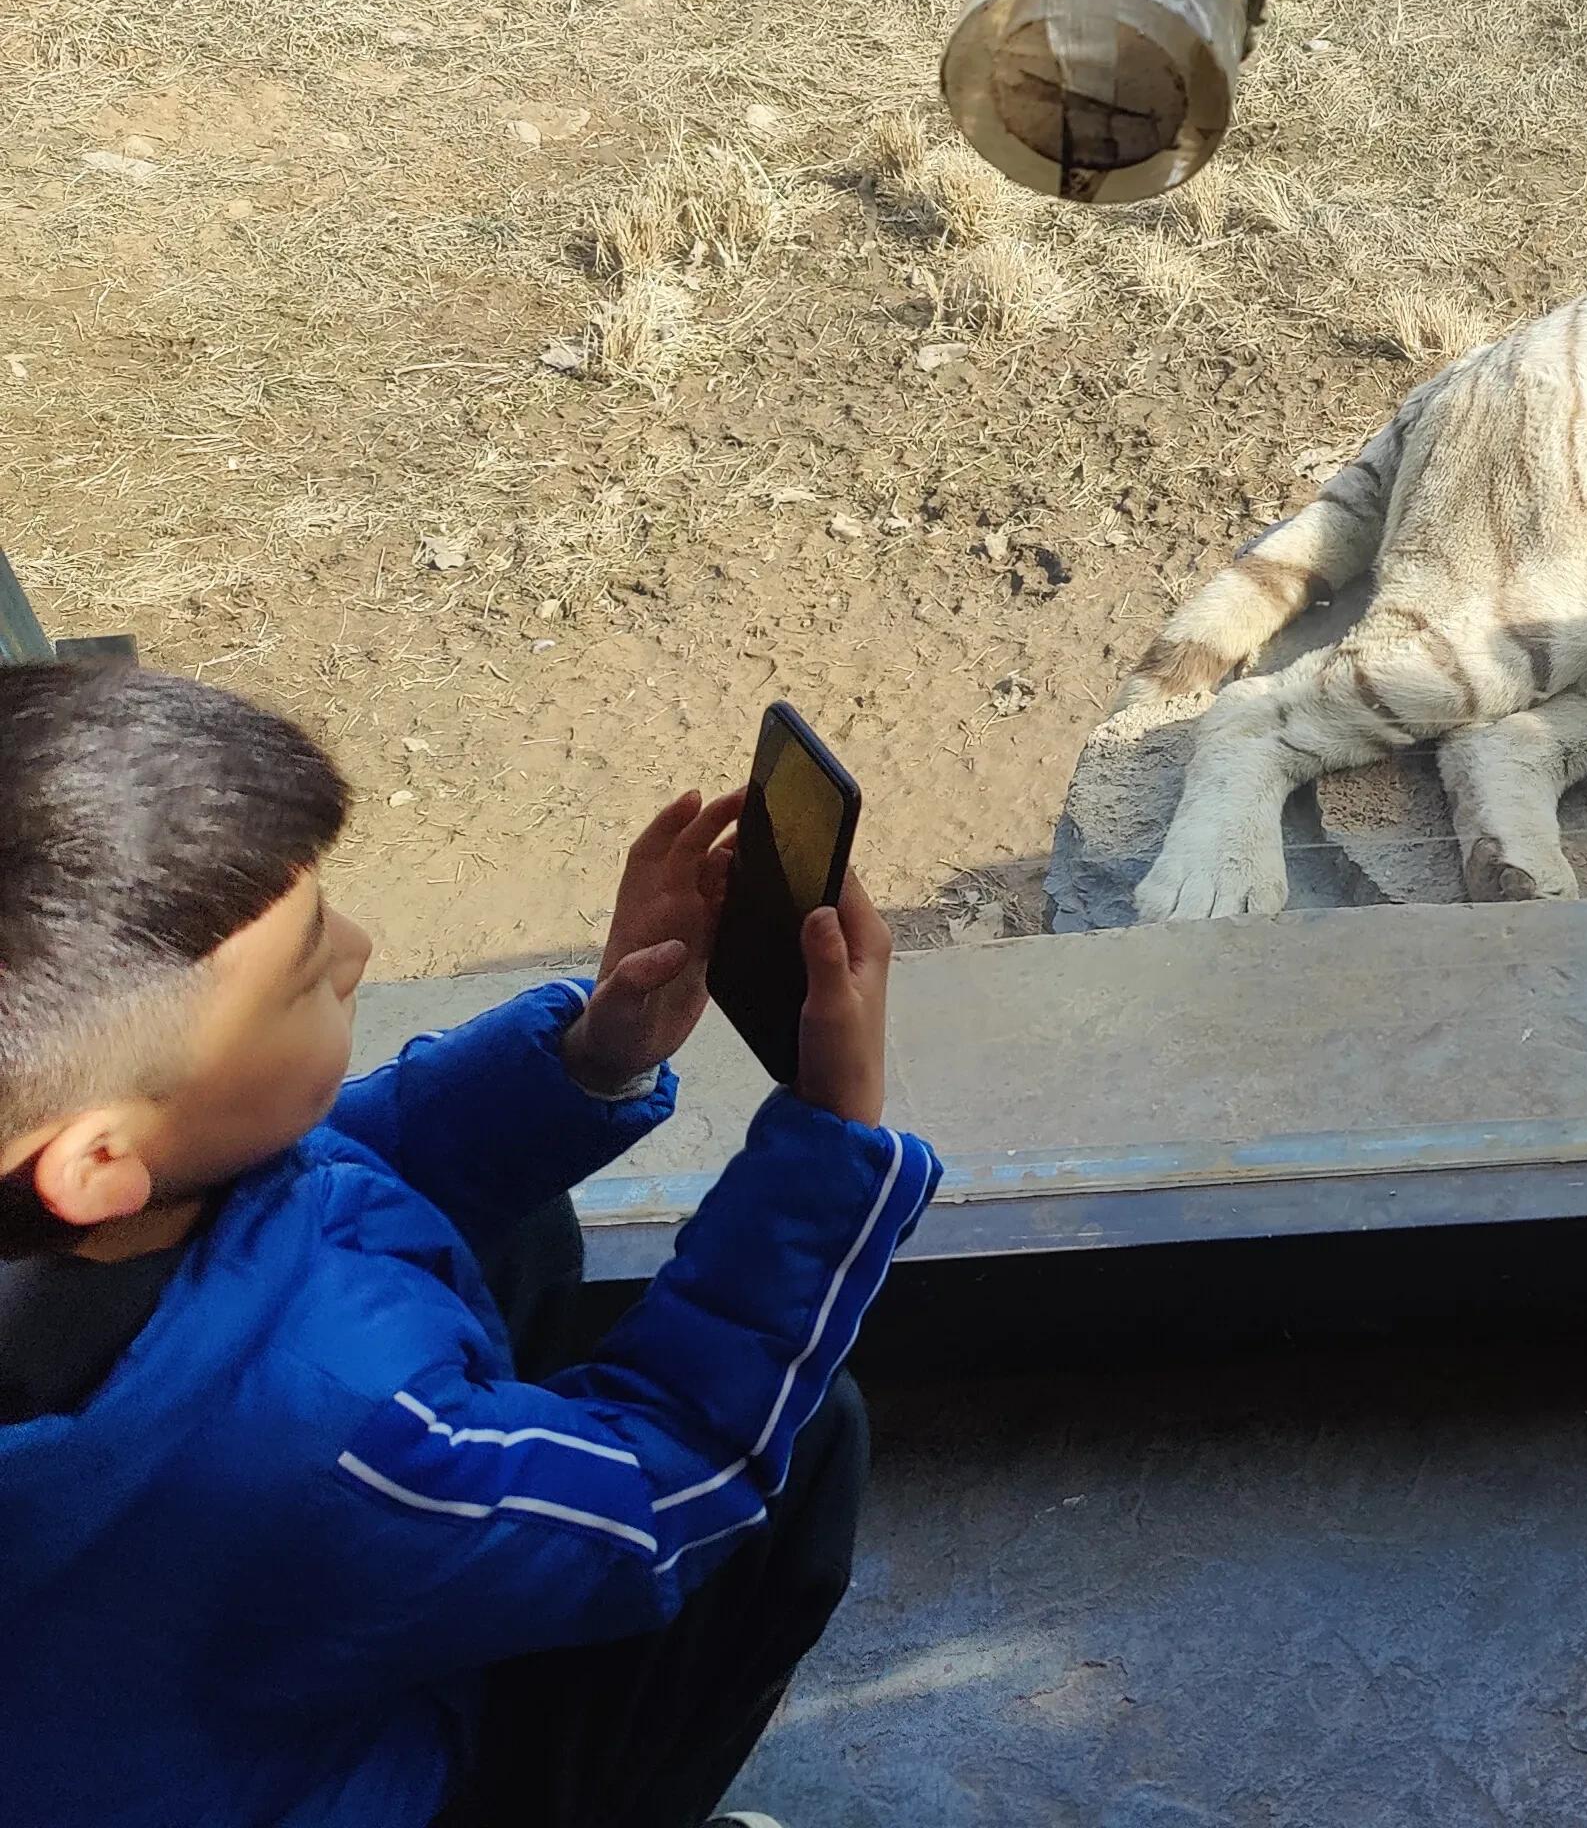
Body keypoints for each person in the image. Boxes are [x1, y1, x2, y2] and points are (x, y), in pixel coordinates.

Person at [0, 661, 939, 1826]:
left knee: (513, 1220)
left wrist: (596, 1051)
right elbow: (669, 1480)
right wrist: (831, 1138)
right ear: (97, 1160)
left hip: (165, 1674)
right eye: (302, 971)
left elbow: (333, 1165)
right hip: (358, 1770)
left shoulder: (84, 1216)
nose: (356, 944)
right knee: (800, 1445)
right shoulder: (345, 1440)